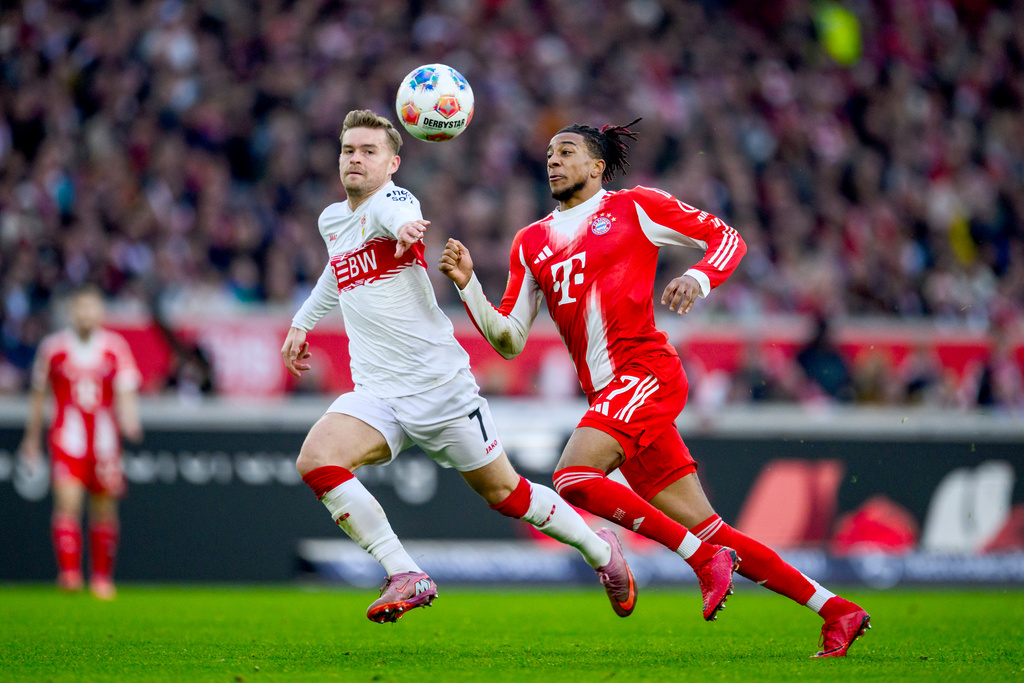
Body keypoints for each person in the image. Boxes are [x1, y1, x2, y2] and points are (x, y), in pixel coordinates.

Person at [439, 120, 871, 657]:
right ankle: (837, 610)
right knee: (713, 530)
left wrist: (700, 276)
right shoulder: (530, 242)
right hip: (612, 398)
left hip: (646, 372)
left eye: (566, 151)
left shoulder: (634, 206)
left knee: (573, 476)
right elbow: (507, 338)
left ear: (597, 166)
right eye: (549, 153)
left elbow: (726, 237)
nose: (552, 160)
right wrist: (468, 285)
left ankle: (695, 559)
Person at [281, 109, 636, 624]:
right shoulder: (332, 220)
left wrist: (408, 230)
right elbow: (336, 272)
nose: (356, 159)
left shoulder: (392, 201)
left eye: (369, 151)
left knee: (508, 494)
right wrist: (301, 322)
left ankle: (602, 551)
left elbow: (400, 213)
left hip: (440, 388)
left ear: (393, 164)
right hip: (378, 392)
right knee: (316, 459)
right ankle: (404, 571)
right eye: (348, 150)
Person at [18, 285, 143, 600]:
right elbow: (38, 396)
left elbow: (126, 389)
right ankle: (70, 574)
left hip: (104, 444)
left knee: (104, 509)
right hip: (67, 439)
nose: (86, 314)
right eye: (81, 308)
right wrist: (31, 439)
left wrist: (130, 420)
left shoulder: (115, 347)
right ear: (72, 312)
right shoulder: (53, 348)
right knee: (68, 504)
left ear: (100, 312)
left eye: (92, 308)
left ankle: (102, 579)